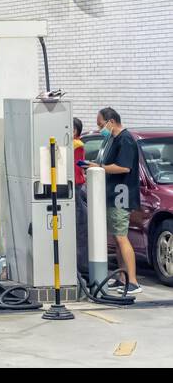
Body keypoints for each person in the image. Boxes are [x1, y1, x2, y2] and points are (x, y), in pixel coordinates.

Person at [88, 107, 140, 294]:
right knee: (116, 239)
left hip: (121, 195)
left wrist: (99, 167)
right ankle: (122, 277)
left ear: (111, 122)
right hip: (113, 194)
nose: (99, 128)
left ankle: (133, 281)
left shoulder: (125, 140)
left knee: (121, 237)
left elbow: (124, 168)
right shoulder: (112, 139)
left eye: (100, 124)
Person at [72, 117, 88, 274]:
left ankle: (83, 268)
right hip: (75, 187)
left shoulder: (77, 145)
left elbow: (76, 168)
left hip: (76, 187)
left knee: (80, 229)